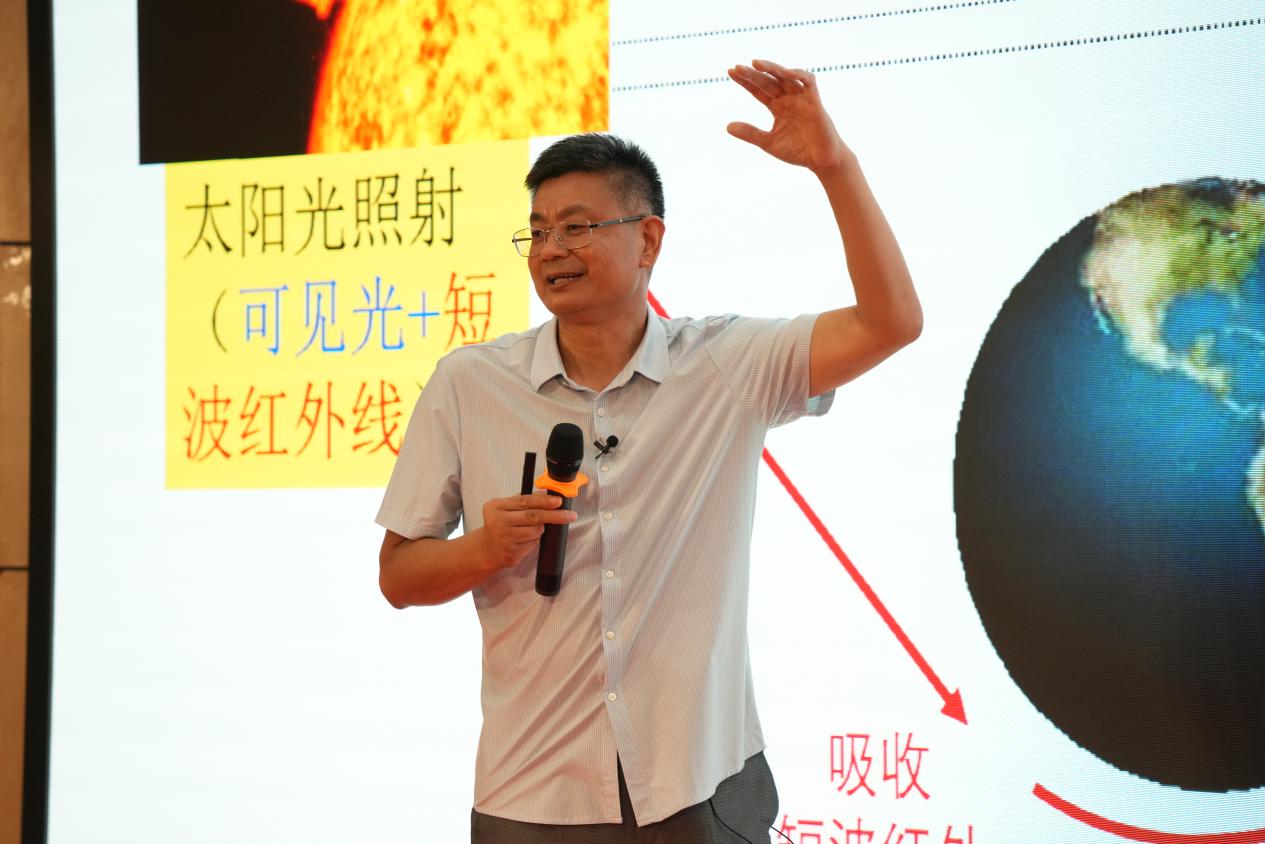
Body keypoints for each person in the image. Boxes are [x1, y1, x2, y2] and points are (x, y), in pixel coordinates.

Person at [375, 60, 922, 842]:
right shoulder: (470, 383)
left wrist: (834, 168)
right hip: (532, 793)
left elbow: (890, 322)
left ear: (648, 239)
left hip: (697, 782)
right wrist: (485, 548)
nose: (550, 249)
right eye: (538, 231)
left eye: (577, 227)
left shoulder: (725, 363)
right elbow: (398, 576)